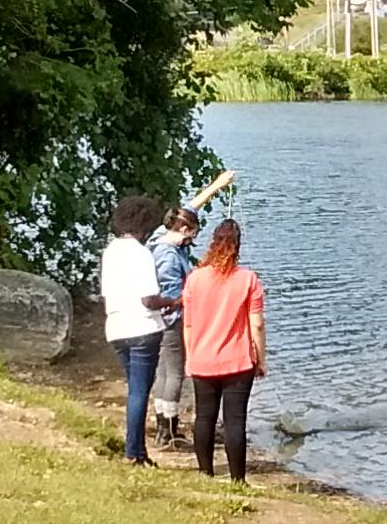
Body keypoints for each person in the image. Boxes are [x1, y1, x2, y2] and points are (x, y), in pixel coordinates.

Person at [180, 218, 266, 483]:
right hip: (238, 364)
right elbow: (257, 326)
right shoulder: (248, 280)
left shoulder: (194, 279)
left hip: (202, 360)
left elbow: (189, 324)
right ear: (237, 247)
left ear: (212, 243)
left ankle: (205, 473)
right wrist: (261, 360)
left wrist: (189, 357)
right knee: (234, 421)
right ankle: (238, 480)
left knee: (204, 417)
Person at [98, 194, 168, 465]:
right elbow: (149, 299)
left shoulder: (111, 250)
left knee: (134, 389)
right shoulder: (141, 253)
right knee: (139, 392)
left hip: (116, 327)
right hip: (142, 327)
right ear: (145, 224)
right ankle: (132, 452)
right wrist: (174, 301)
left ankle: (139, 452)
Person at [146, 204, 201, 451]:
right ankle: (169, 429)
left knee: (162, 372)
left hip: (156, 321)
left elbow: (188, 207)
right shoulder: (168, 256)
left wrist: (218, 186)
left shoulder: (158, 237)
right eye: (193, 233)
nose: (193, 239)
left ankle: (162, 426)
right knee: (174, 373)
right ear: (183, 229)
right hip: (171, 321)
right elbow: (170, 296)